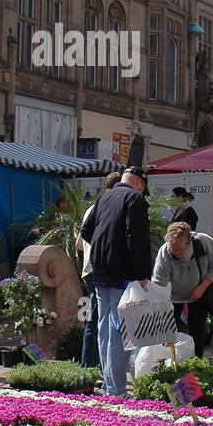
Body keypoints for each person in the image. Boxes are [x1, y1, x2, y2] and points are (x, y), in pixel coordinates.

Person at [80, 166, 152, 397]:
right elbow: (136, 238)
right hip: (123, 274)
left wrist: (104, 248)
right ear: (140, 183)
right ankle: (116, 388)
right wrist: (142, 273)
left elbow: (86, 230)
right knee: (120, 330)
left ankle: (111, 385)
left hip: (101, 271)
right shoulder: (135, 199)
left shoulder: (105, 197)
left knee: (105, 327)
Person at [151, 221, 213, 357]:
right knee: (168, 331)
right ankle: (170, 361)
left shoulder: (203, 243)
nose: (177, 253)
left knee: (197, 330)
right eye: (174, 249)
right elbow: (159, 283)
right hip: (173, 296)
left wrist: (202, 287)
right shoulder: (165, 253)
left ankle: (196, 361)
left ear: (188, 243)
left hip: (198, 292)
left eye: (180, 250)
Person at [76, 173, 121, 369]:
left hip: (89, 269)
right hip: (101, 269)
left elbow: (78, 243)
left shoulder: (90, 209)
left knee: (93, 319)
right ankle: (92, 366)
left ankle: (91, 365)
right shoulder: (110, 208)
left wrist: (89, 253)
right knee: (99, 321)